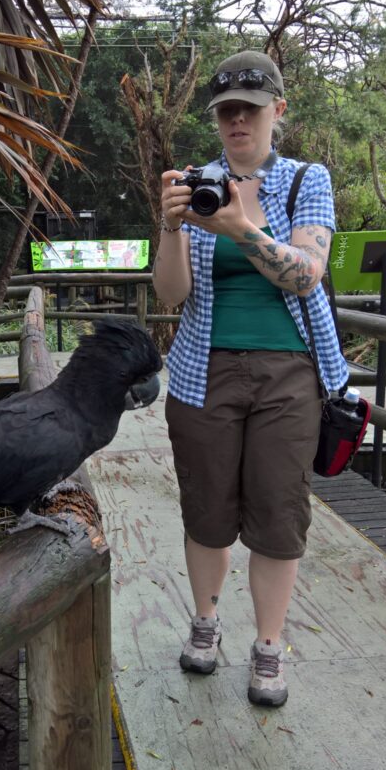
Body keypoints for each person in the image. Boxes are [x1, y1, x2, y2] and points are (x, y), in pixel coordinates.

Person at [153, 49, 349, 707]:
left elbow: (306, 273)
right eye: (227, 111)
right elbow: (172, 295)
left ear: (277, 112)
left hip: (290, 373)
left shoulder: (304, 180)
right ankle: (205, 624)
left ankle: (269, 647)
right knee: (206, 508)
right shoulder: (195, 181)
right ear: (217, 119)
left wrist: (240, 227)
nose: (238, 121)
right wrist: (172, 225)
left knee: (278, 513)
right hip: (202, 370)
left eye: (251, 109)